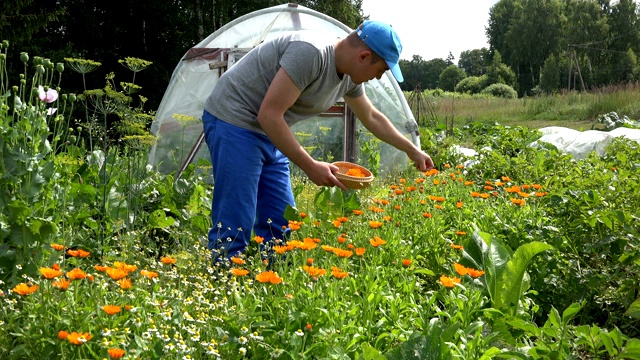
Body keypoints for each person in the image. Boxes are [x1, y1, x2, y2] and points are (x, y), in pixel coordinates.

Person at [202, 20, 435, 264]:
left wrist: (412, 149)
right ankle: (223, 279)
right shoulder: (311, 53)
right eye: (381, 71)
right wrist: (310, 165)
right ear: (364, 56)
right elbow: (269, 114)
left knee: (282, 220)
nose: (377, 78)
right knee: (236, 218)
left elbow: (371, 117)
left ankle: (271, 284)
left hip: (269, 130)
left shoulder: (349, 77)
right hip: (235, 121)